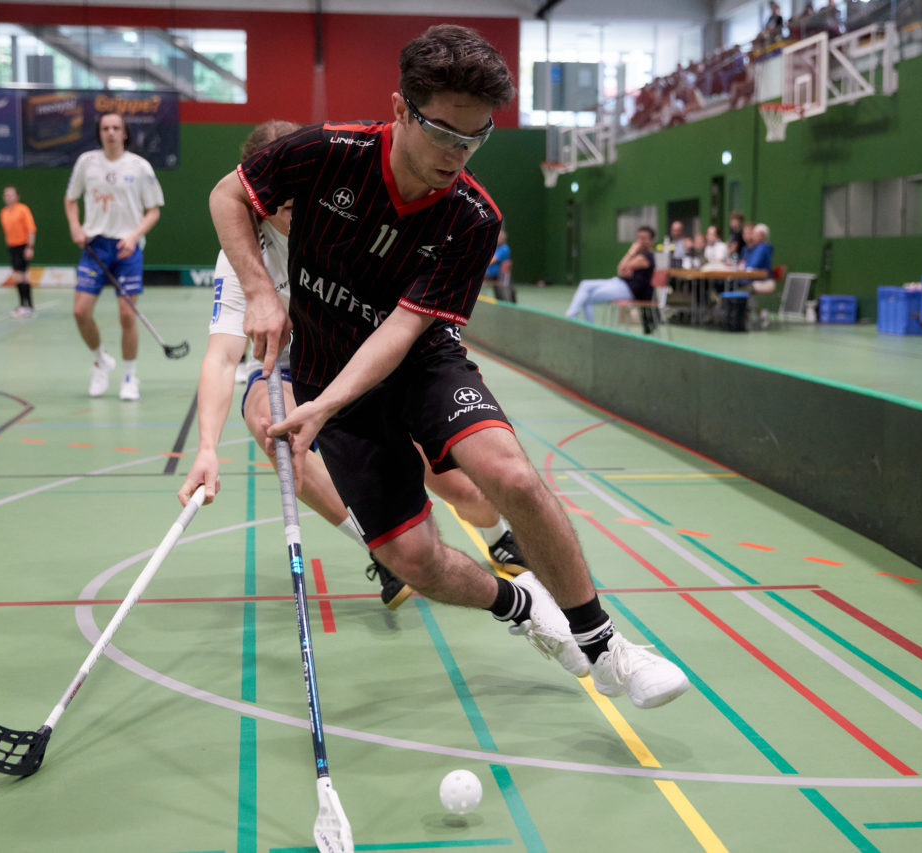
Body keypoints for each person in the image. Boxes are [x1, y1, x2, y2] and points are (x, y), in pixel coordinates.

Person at [197, 24, 690, 710]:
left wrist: (322, 405)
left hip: (418, 363)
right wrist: (258, 290)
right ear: (400, 109)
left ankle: (606, 646)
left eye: (476, 138)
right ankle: (518, 605)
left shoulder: (472, 217)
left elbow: (400, 332)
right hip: (322, 368)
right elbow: (229, 195)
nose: (458, 155)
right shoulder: (324, 153)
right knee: (412, 559)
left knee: (509, 472)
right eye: (444, 134)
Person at [182, 120, 527, 612]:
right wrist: (207, 449)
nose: (292, 212)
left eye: (297, 198)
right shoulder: (244, 250)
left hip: (363, 362)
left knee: (465, 491)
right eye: (279, 203)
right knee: (269, 425)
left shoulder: (345, 216)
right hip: (292, 367)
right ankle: (377, 543)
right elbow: (221, 356)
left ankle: (496, 535)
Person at [65, 112, 165, 401]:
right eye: (105, 128)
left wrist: (134, 236)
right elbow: (71, 199)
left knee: (126, 315)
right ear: (100, 133)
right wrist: (75, 226)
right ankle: (101, 361)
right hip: (95, 246)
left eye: (116, 128)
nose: (110, 132)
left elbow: (154, 210)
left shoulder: (140, 166)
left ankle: (130, 376)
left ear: (125, 133)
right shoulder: (87, 163)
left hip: (127, 248)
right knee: (80, 312)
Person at [565, 226, 658, 334]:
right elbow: (620, 270)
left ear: (651, 241)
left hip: (628, 290)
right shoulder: (638, 255)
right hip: (618, 282)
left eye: (644, 238)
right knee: (585, 284)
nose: (640, 241)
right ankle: (572, 317)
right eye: (638, 238)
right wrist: (628, 264)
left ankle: (584, 325)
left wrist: (631, 251)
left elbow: (622, 267)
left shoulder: (647, 257)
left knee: (587, 297)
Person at [0, 186, 37, 318]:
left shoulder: (23, 210)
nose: (8, 197)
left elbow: (31, 229)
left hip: (23, 245)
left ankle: (28, 305)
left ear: (17, 196)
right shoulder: (3, 212)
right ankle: (24, 305)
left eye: (11, 195)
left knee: (22, 277)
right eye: (6, 195)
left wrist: (29, 247)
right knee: (17, 277)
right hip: (12, 247)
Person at [484, 225, 513, 301]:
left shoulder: (504, 248)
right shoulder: (495, 247)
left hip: (497, 275)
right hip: (488, 273)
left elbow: (491, 261)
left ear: (503, 238)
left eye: (500, 236)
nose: (498, 238)